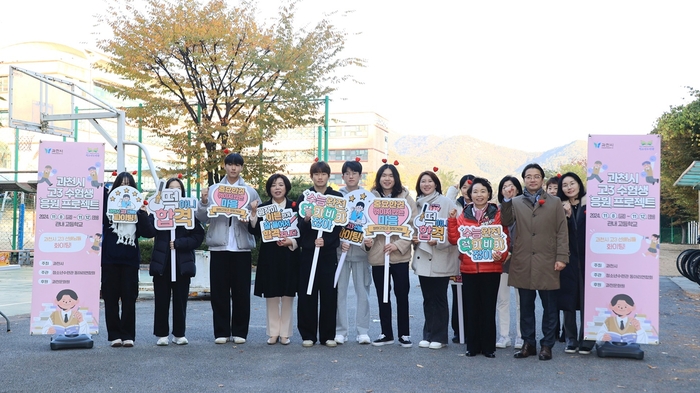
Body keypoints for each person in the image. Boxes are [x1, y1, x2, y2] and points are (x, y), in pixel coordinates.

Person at [501, 163, 569, 361]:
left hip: (548, 261)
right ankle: (528, 343)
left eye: (536, 176)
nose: (532, 179)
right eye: (528, 176)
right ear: (524, 180)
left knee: (549, 307)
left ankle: (547, 345)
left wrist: (562, 257)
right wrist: (506, 199)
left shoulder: (555, 202)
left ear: (542, 179)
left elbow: (561, 232)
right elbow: (505, 221)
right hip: (523, 260)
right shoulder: (515, 202)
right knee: (526, 306)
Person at [197, 152, 262, 345]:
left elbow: (255, 224)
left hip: (241, 248)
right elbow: (202, 218)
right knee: (219, 292)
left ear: (242, 168)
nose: (233, 168)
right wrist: (204, 202)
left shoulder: (250, 192)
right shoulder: (214, 189)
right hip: (219, 247)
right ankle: (221, 332)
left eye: (237, 165)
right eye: (230, 164)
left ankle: (240, 331)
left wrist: (251, 213)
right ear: (224, 166)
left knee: (242, 292)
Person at [447, 177, 506, 358]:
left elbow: (505, 239)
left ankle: (488, 347)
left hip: (492, 268)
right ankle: (472, 346)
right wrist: (451, 222)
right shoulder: (462, 215)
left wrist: (501, 255)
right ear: (469, 195)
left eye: (483, 191)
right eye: (475, 192)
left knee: (488, 308)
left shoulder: (497, 214)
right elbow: (454, 239)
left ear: (489, 193)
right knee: (471, 308)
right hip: (469, 268)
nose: (479, 195)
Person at [142, 177, 204, 346]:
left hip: (182, 263)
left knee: (180, 299)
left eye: (178, 189)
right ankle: (161, 334)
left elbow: (198, 236)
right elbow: (149, 231)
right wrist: (145, 212)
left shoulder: (188, 211)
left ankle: (179, 333)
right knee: (161, 299)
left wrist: (179, 244)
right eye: (171, 189)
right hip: (162, 262)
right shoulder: (158, 210)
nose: (174, 192)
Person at [366, 163, 416, 348]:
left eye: (390, 175)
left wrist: (398, 245)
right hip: (379, 257)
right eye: (383, 175)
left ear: (396, 178)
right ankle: (386, 333)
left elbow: (412, 226)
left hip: (399, 257)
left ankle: (404, 333)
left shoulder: (406, 198)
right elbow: (364, 224)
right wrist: (367, 242)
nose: (387, 179)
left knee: (402, 295)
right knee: (382, 295)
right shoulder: (371, 198)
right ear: (378, 179)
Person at [248, 174, 300, 346]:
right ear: (269, 189)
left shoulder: (295, 207)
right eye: (273, 185)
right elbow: (254, 231)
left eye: (281, 184)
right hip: (269, 256)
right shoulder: (263, 208)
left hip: (289, 255)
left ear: (286, 187)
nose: (277, 188)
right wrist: (254, 213)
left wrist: (291, 242)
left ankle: (285, 333)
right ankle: (273, 333)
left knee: (287, 295)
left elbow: (302, 231)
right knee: (271, 294)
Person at [101, 171, 151, 347]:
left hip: (130, 260)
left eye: (128, 184)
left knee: (129, 299)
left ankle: (128, 334)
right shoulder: (106, 207)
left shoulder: (137, 207)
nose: (124, 188)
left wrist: (143, 214)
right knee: (110, 298)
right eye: (121, 184)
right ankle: (114, 334)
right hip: (109, 259)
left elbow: (148, 232)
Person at [296, 161, 343, 347]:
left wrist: (327, 241)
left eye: (323, 173)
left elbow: (339, 226)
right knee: (307, 293)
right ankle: (308, 335)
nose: (320, 177)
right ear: (311, 176)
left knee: (329, 293)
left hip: (328, 254)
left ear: (328, 176)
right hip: (308, 253)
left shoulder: (336, 197)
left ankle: (327, 335)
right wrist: (307, 220)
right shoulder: (304, 197)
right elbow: (298, 227)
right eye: (316, 173)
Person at [412, 171, 459, 350]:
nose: (426, 184)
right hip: (423, 256)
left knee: (439, 298)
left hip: (441, 256)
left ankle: (440, 337)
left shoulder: (446, 202)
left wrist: (440, 240)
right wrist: (414, 238)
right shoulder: (416, 203)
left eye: (429, 181)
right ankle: (428, 334)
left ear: (436, 183)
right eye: (423, 181)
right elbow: (412, 226)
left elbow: (454, 228)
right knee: (427, 298)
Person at [557, 172, 596, 354]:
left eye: (572, 183)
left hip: (591, 258)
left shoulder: (591, 203)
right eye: (565, 185)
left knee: (589, 299)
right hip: (568, 258)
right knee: (568, 299)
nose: (569, 187)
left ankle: (587, 339)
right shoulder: (558, 206)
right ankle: (571, 339)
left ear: (579, 185)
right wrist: (565, 214)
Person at [335, 160, 372, 345]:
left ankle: (363, 331)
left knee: (363, 292)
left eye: (354, 173)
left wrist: (368, 242)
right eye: (347, 173)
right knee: (339, 292)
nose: (351, 176)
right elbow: (331, 224)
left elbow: (371, 224)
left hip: (361, 253)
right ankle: (341, 331)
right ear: (342, 176)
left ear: (360, 176)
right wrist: (339, 241)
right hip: (340, 252)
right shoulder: (336, 197)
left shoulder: (368, 197)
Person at [495, 175, 523, 350]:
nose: (508, 189)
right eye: (505, 186)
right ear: (501, 191)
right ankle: (504, 335)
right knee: (502, 300)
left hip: (520, 259)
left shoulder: (527, 207)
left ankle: (521, 336)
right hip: (502, 260)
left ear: (518, 189)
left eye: (512, 186)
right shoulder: (497, 210)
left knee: (521, 301)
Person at [446, 174, 474, 343]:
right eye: (464, 187)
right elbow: (446, 201)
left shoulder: (483, 207)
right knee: (457, 294)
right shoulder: (456, 205)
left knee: (472, 295)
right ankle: (458, 329)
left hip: (476, 257)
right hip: (457, 256)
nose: (468, 191)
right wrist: (453, 189)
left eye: (471, 188)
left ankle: (472, 328)